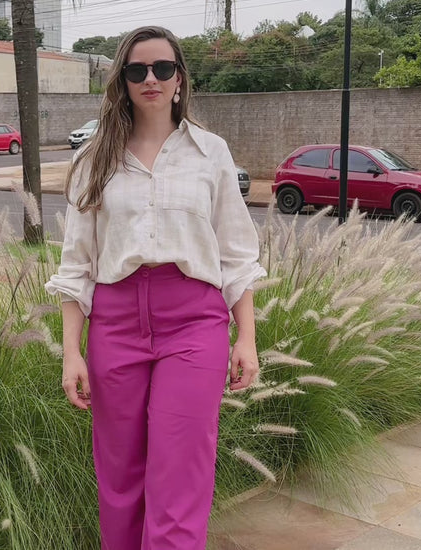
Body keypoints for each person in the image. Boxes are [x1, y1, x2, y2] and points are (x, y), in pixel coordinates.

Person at [45, 25, 266, 550]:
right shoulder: (93, 159)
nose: (151, 79)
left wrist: (247, 338)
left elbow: (237, 254)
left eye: (163, 68)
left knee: (180, 473)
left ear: (179, 79)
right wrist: (70, 353)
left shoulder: (210, 153)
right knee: (119, 478)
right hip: (115, 323)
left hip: (192, 321)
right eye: (137, 69)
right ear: (121, 80)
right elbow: (76, 265)